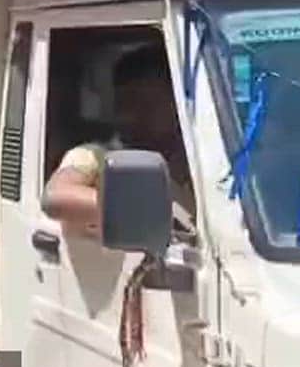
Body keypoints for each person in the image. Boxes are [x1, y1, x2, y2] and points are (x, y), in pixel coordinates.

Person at [41, 44, 195, 236]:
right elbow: (55, 197)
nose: (131, 115)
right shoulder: (97, 155)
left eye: (149, 104)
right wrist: (140, 213)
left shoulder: (195, 157)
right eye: (126, 103)